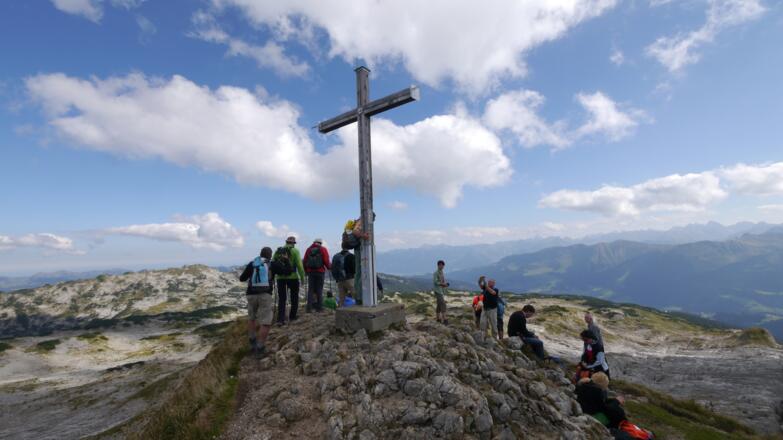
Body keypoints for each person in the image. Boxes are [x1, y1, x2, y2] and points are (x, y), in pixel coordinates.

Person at [238, 246, 274, 358]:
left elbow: (242, 278)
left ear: (260, 254)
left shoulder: (253, 263)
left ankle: (252, 342)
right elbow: (287, 271)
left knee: (252, 318)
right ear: (270, 255)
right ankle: (260, 347)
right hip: (265, 295)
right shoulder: (271, 264)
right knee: (266, 321)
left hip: (251, 294)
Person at [272, 236, 305, 326]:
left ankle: (280, 319)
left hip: (280, 278)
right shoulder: (295, 251)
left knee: (282, 299)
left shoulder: (278, 251)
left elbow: (273, 263)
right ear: (293, 243)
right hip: (293, 277)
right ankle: (292, 316)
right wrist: (302, 278)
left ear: (286, 242)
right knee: (294, 297)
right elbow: (299, 265)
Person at [303, 238, 331, 313]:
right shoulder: (323, 249)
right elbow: (326, 260)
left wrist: (306, 271)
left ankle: (309, 308)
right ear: (320, 243)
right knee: (319, 290)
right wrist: (329, 267)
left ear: (314, 242)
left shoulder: (308, 249)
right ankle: (319, 308)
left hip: (310, 272)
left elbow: (305, 261)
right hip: (320, 272)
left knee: (310, 290)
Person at [432, 260, 449, 325]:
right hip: (437, 291)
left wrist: (445, 284)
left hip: (441, 290)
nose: (442, 266)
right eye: (441, 265)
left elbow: (442, 281)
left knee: (439, 305)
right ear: (438, 265)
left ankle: (438, 319)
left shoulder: (442, 272)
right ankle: (445, 319)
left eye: (443, 265)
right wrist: (442, 284)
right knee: (443, 304)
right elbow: (435, 282)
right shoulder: (436, 273)